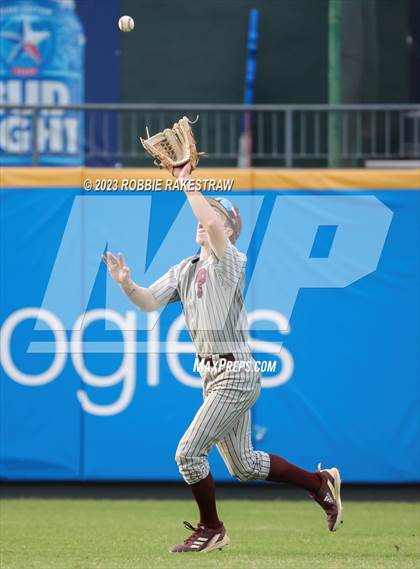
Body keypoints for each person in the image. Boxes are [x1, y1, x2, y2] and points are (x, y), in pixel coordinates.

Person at [102, 163, 343, 554]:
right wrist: (127, 283)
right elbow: (147, 303)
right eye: (205, 210)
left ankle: (211, 528)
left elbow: (212, 227)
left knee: (188, 454)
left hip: (236, 372)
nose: (205, 219)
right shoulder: (185, 268)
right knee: (244, 466)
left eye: (215, 213)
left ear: (229, 228)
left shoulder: (230, 261)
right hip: (213, 375)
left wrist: (186, 182)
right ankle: (319, 484)